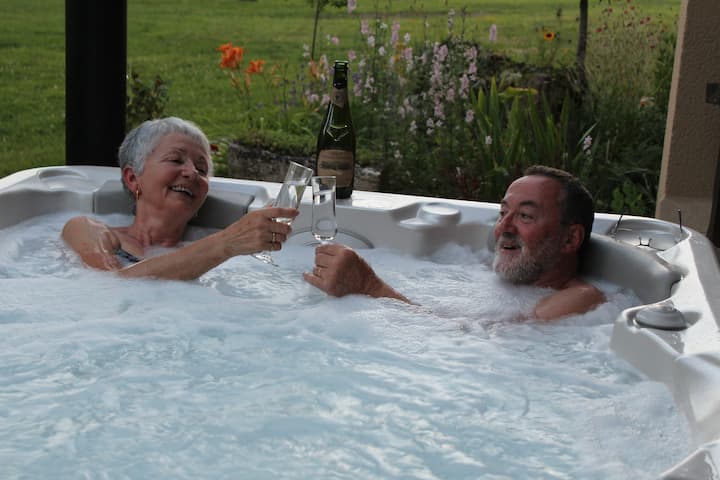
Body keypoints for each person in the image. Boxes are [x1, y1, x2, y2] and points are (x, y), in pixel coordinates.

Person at [303, 165, 606, 320]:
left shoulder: (580, 298)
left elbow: (470, 340)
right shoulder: (483, 267)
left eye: (525, 216)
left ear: (570, 238)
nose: (503, 227)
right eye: (503, 213)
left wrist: (368, 286)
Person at [62, 117, 298, 280]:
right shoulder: (86, 229)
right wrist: (227, 242)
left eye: (201, 169)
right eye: (175, 160)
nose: (192, 173)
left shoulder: (219, 257)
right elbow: (109, 283)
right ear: (133, 178)